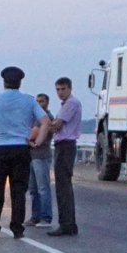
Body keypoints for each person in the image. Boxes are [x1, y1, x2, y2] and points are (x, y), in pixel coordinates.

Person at [0, 66, 49, 239]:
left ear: (4, 82)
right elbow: (45, 121)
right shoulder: (29, 101)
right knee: (18, 190)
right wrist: (37, 142)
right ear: (20, 82)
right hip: (21, 148)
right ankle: (17, 227)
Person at [48, 77, 81, 236]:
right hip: (63, 145)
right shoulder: (65, 105)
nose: (60, 92)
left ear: (70, 88)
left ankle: (66, 224)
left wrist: (47, 126)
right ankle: (68, 223)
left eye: (63, 89)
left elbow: (56, 125)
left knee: (63, 187)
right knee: (63, 185)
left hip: (66, 145)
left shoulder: (71, 104)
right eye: (58, 89)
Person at [27, 93, 54, 225]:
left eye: (41, 101)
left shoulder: (45, 117)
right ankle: (35, 216)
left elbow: (31, 134)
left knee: (43, 188)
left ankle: (46, 217)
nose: (38, 104)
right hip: (31, 156)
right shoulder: (34, 118)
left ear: (47, 103)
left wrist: (27, 136)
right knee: (33, 189)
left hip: (41, 156)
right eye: (37, 101)